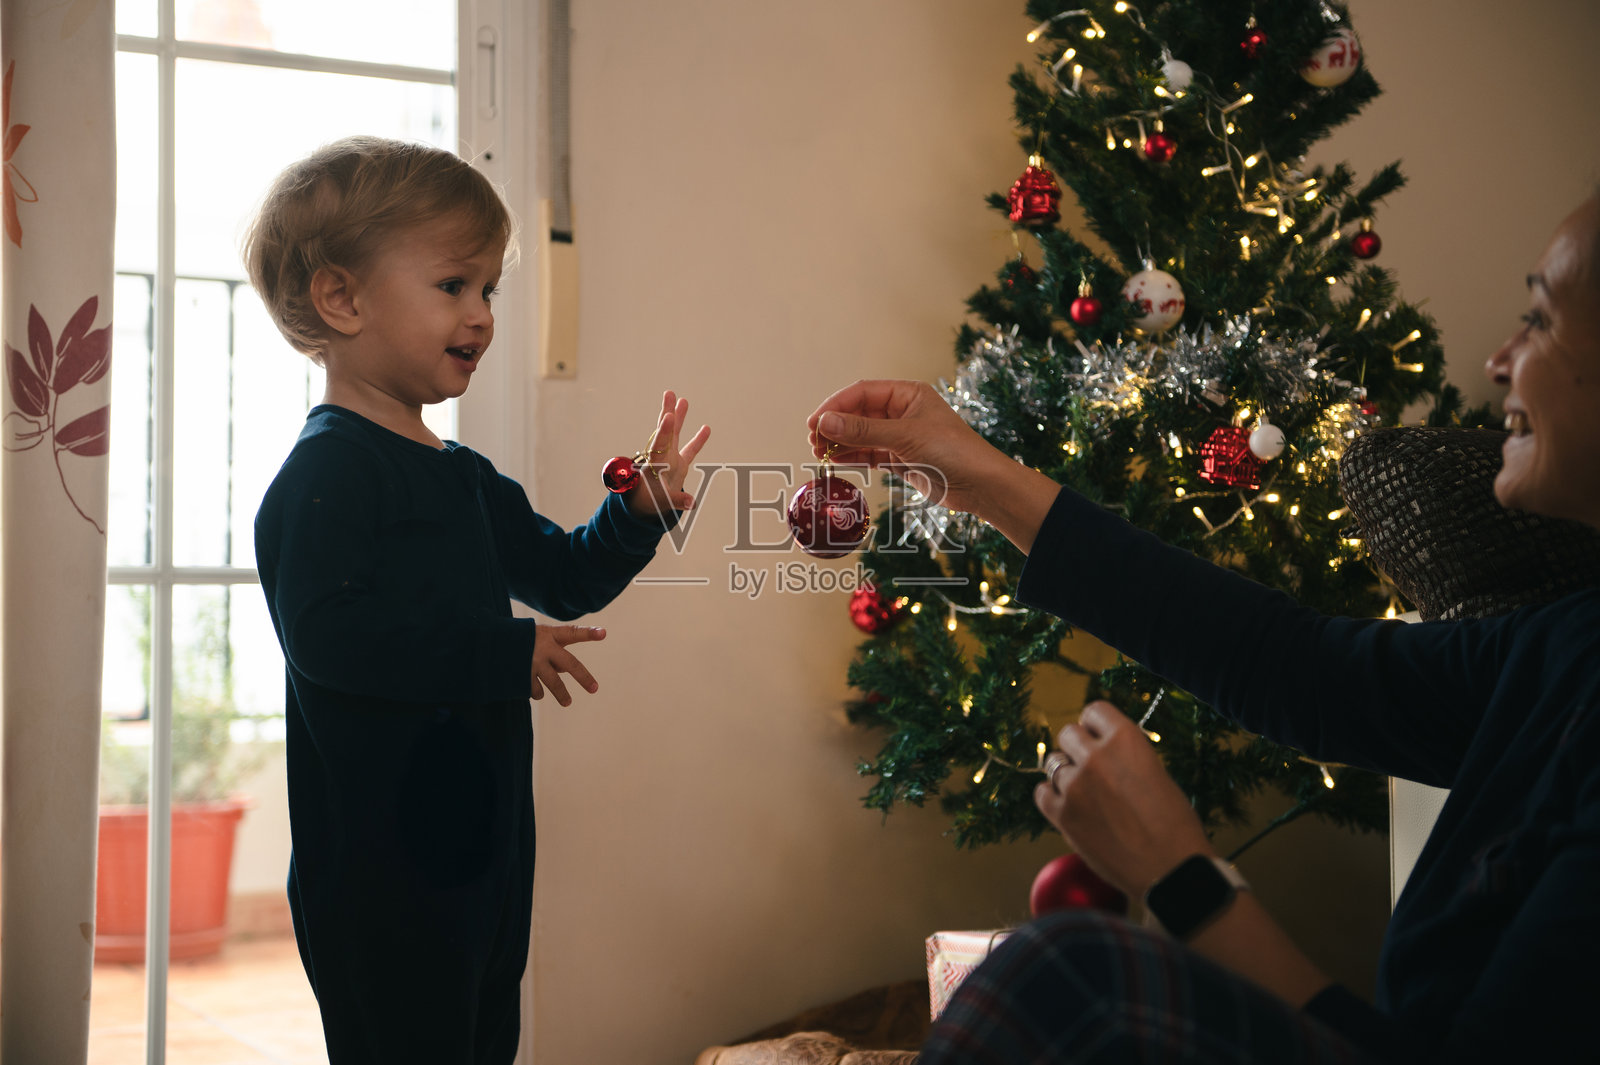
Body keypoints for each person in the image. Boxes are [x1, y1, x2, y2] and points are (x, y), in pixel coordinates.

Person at [805, 191, 1600, 1064]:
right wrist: (985, 480)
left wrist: (1186, 878)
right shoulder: (1568, 646)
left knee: (1076, 981)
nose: (1501, 357)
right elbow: (1296, 666)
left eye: (1541, 320)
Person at [245, 136, 710, 1064]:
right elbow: (333, 641)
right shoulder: (326, 473)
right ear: (342, 298)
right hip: (379, 875)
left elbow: (566, 572)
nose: (483, 314)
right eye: (454, 285)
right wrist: (501, 652)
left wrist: (639, 510)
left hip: (484, 855)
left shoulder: (463, 478)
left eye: (489, 289)